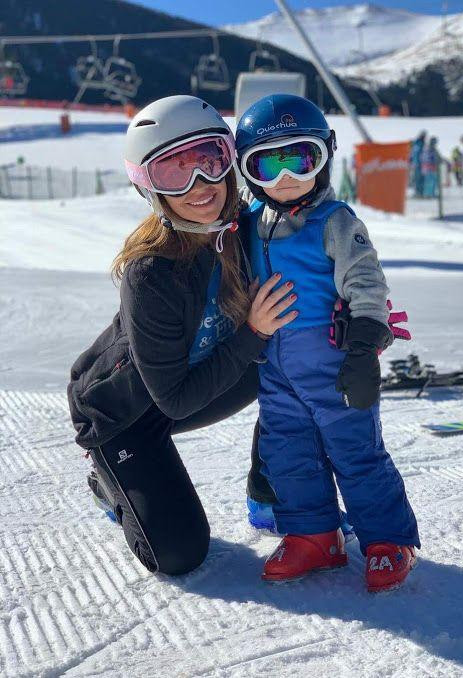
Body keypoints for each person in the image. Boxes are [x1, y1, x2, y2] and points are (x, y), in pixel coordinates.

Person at [67, 95, 298, 575]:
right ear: (149, 187)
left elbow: (313, 259)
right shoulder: (152, 272)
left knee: (294, 355)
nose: (201, 185)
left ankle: (269, 485)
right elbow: (173, 401)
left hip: (194, 381)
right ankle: (109, 478)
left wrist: (357, 310)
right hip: (126, 412)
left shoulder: (244, 228)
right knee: (179, 555)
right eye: (175, 172)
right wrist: (253, 332)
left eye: (209, 161)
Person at [235, 94, 420, 593]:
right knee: (287, 451)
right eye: (267, 165)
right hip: (274, 366)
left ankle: (386, 540)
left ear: (323, 157)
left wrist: (363, 350)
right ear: (247, 171)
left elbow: (367, 282)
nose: (286, 178)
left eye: (299, 158)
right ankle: (314, 534)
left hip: (333, 363)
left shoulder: (336, 221)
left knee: (355, 451)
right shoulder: (247, 225)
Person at [410, 131, 426, 197]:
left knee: (421, 178)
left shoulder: (422, 144)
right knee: (417, 179)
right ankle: (418, 192)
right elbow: (413, 154)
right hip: (417, 164)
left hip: (422, 164)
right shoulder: (417, 144)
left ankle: (421, 192)